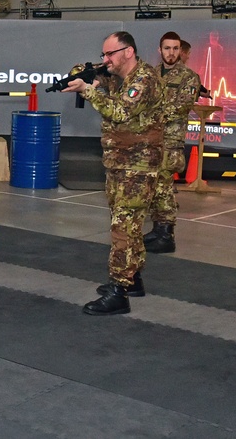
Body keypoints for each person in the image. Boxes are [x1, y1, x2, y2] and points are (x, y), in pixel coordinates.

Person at [63, 31, 163, 315]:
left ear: (128, 51)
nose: (106, 59)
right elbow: (78, 71)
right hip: (121, 162)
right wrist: (88, 73)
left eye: (110, 54)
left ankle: (119, 291)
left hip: (138, 165)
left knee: (123, 227)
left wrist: (89, 90)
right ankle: (132, 279)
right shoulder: (118, 77)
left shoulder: (144, 80)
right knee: (127, 225)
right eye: (103, 55)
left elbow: (120, 112)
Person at [143, 32, 200, 254]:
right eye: (167, 48)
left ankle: (166, 234)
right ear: (160, 50)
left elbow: (181, 106)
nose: (171, 53)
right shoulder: (151, 74)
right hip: (150, 140)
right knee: (154, 186)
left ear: (181, 51)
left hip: (170, 140)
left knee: (164, 185)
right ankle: (158, 230)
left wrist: (149, 116)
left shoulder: (189, 77)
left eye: (175, 48)